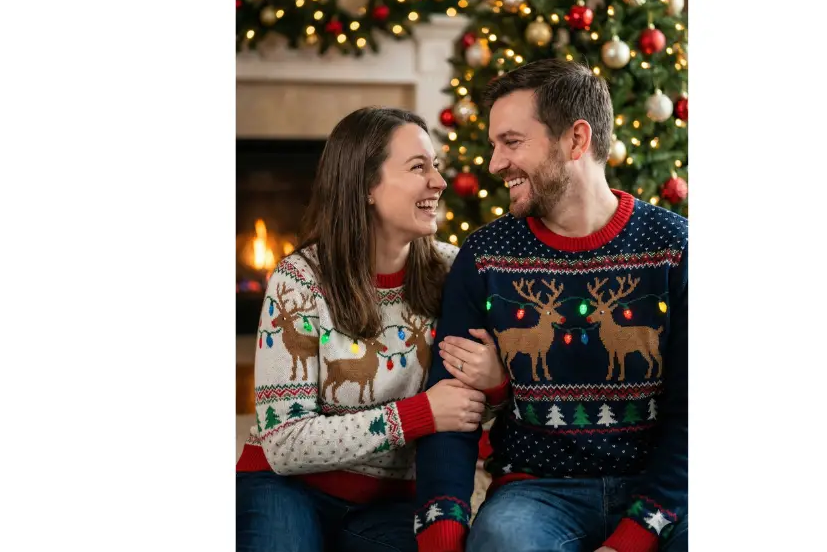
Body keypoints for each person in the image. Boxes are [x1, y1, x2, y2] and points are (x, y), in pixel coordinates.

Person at [414, 59, 689, 552]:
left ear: (576, 141)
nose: (495, 163)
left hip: (660, 490)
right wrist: (443, 533)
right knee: (499, 541)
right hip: (537, 491)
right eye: (495, 144)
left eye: (512, 142)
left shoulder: (677, 249)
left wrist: (636, 535)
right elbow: (451, 412)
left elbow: (694, 416)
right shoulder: (484, 257)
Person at [236, 107, 507, 552]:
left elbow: (461, 410)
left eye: (435, 166)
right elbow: (284, 443)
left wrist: (494, 385)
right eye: (419, 167)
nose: (438, 182)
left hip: (392, 503)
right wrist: (417, 414)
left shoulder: (453, 269)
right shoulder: (299, 279)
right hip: (284, 486)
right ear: (365, 186)